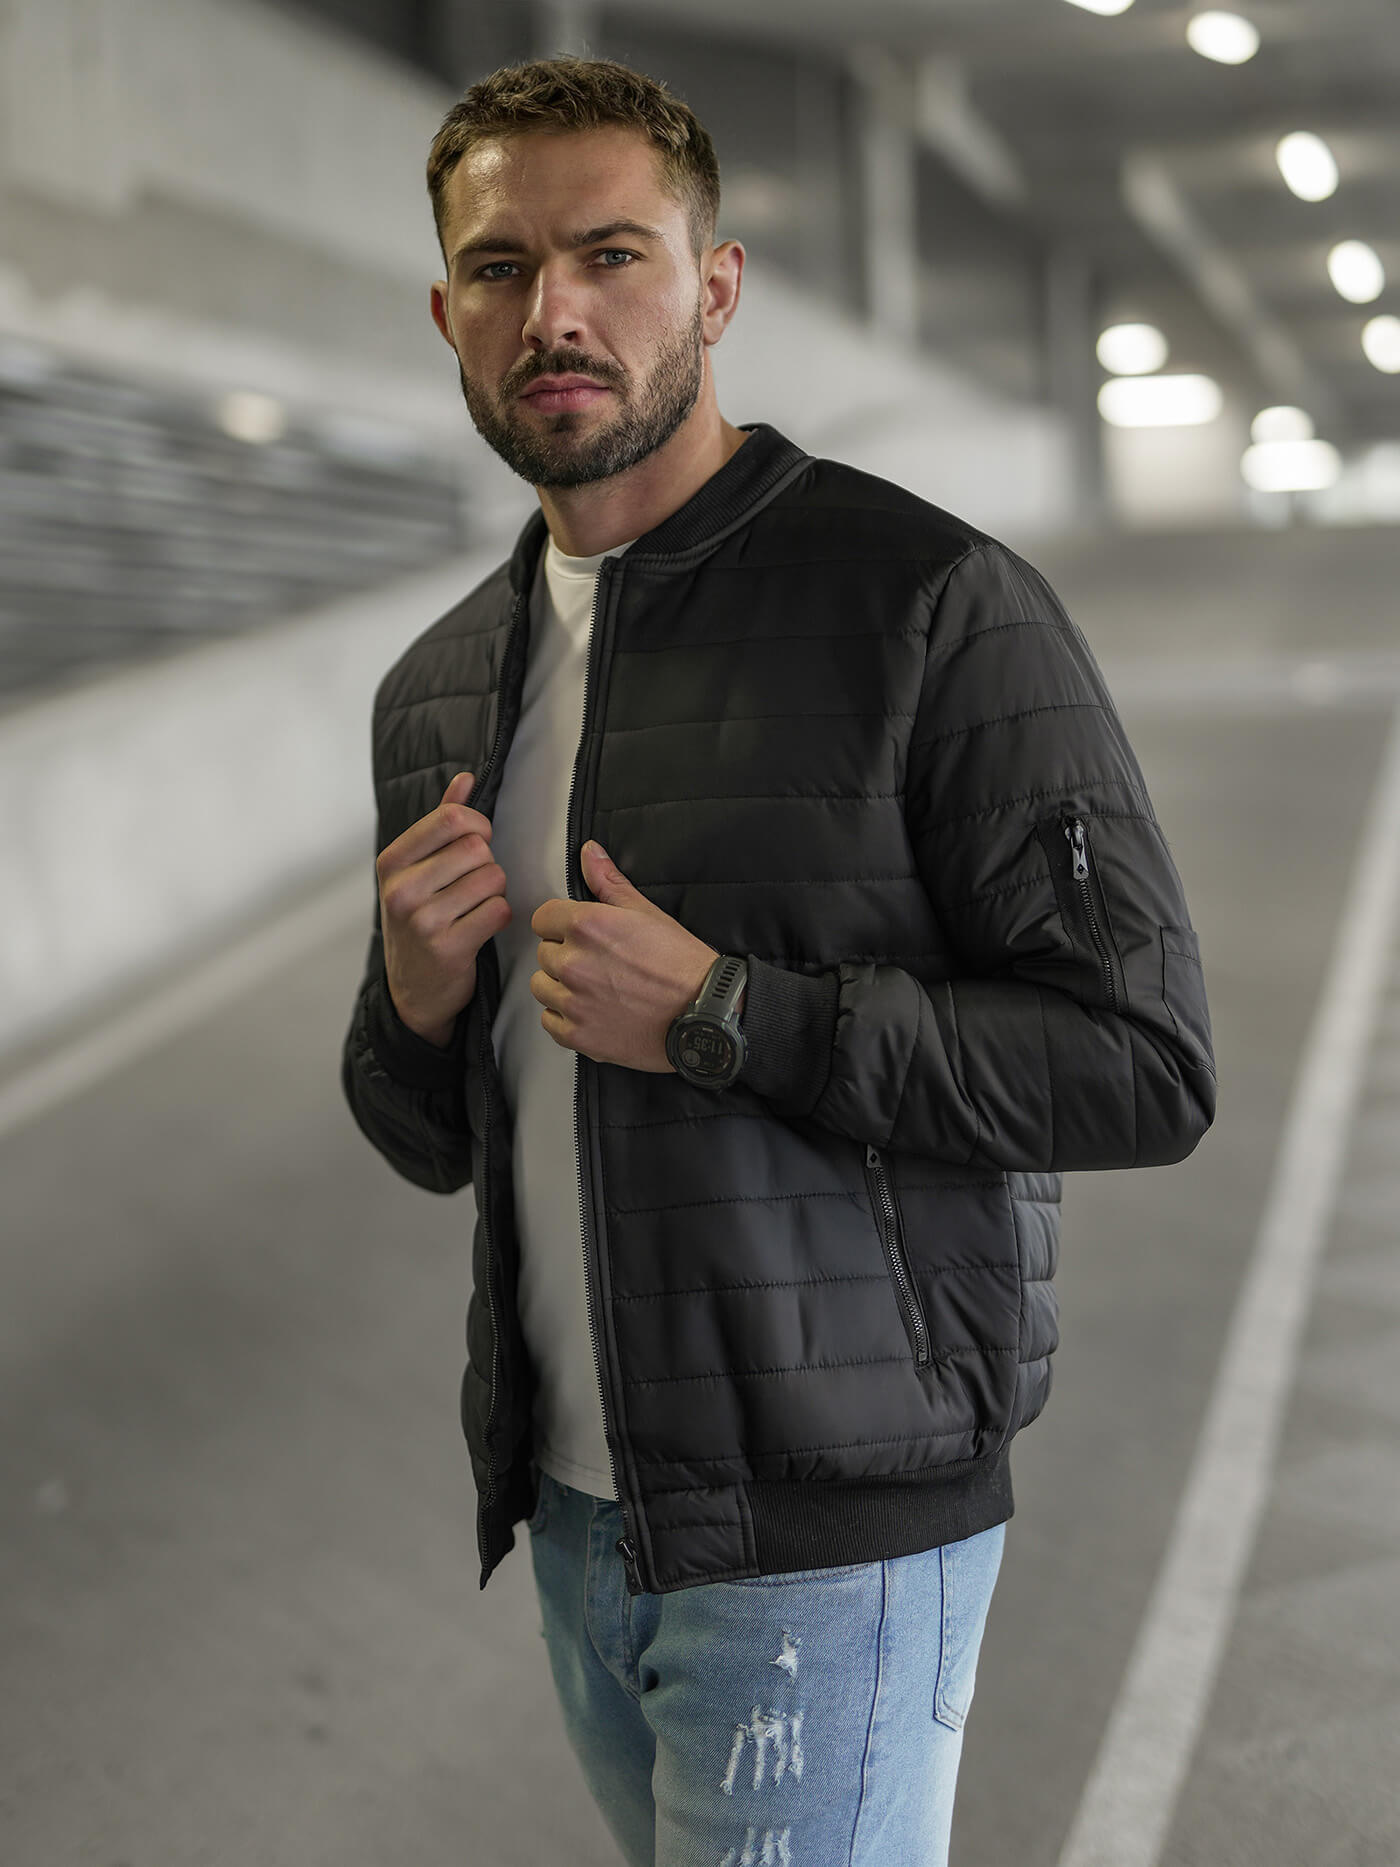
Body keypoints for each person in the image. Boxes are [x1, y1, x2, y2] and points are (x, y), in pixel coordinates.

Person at [341, 54, 1216, 1867]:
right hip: (581, 1522)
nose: (554, 311)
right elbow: (434, 1139)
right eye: (501, 268)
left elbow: (1143, 1063)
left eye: (612, 255)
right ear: (448, 315)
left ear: (717, 287)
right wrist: (413, 1006)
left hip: (837, 1529)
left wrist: (730, 1015)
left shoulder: (929, 605)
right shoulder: (438, 688)